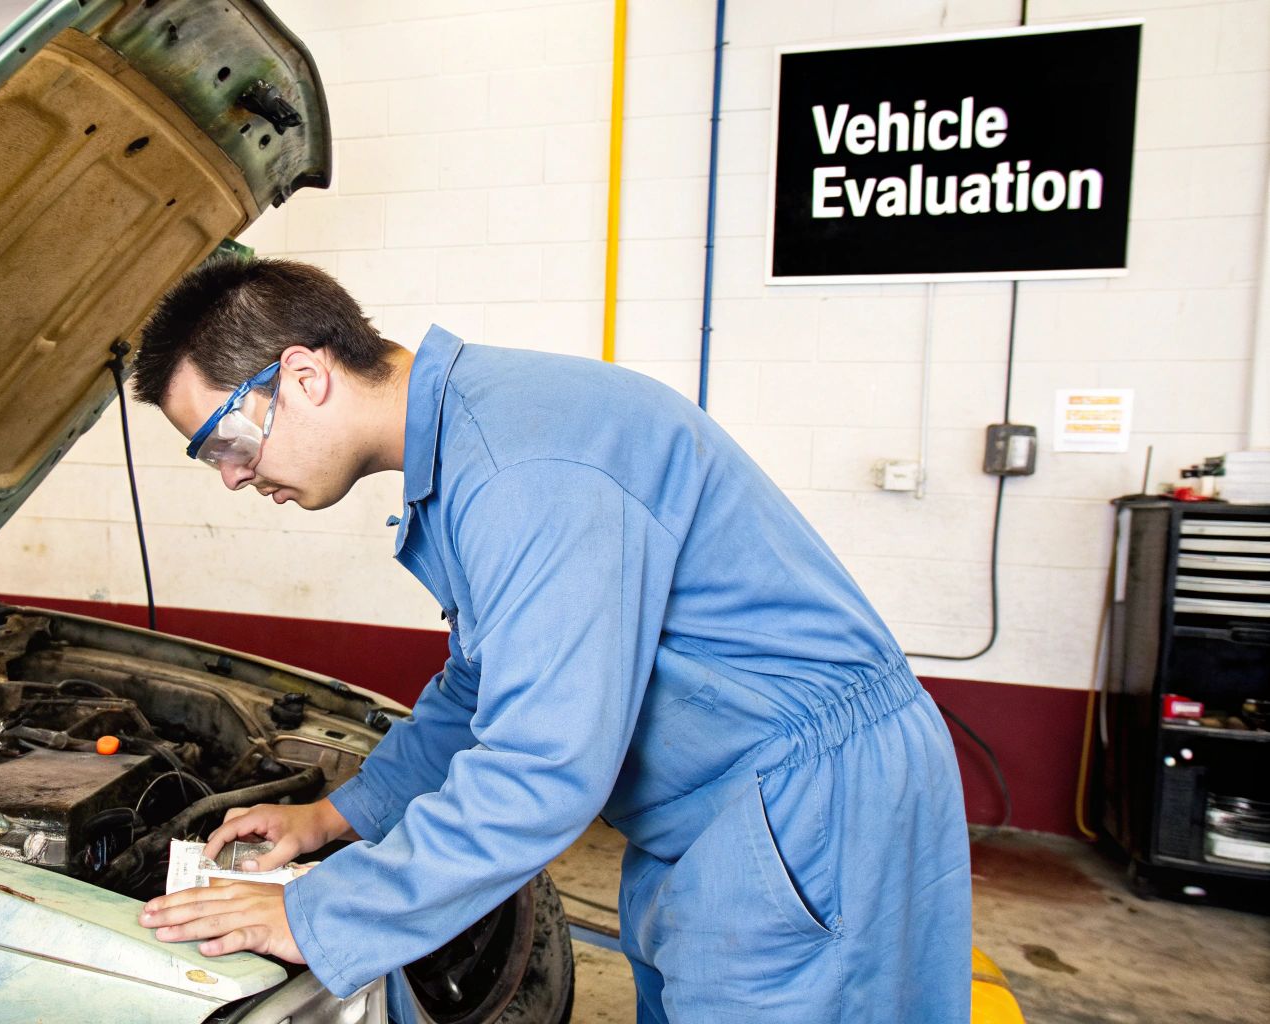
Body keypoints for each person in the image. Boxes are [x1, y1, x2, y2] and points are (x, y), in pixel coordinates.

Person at [130, 255, 971, 1023]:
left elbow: (544, 765)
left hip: (808, 801)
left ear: (305, 376)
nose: (235, 476)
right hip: (727, 804)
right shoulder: (471, 444)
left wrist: (318, 915)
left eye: (226, 442)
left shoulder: (519, 469)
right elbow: (477, 688)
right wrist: (333, 816)